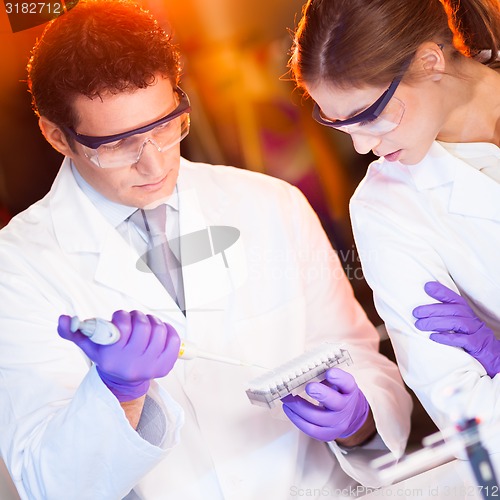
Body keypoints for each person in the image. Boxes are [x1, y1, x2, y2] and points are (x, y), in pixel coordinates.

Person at [0, 1, 412, 498]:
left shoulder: (270, 203)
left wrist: (358, 412)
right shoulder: (17, 267)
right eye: (116, 145)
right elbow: (48, 484)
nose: (153, 166)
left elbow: (365, 367)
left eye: (164, 127)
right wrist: (117, 395)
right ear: (56, 136)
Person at [289, 0, 500, 464]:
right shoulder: (384, 208)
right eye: (338, 123)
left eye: (371, 113)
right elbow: (466, 408)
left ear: (430, 61)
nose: (362, 145)